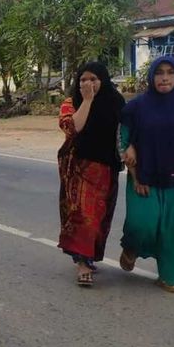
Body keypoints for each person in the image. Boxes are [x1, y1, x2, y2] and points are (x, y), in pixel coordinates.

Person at [57, 62, 126, 286]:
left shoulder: (116, 101)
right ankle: (83, 265)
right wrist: (87, 100)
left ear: (103, 80)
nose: (88, 83)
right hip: (80, 168)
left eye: (93, 79)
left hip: (107, 168)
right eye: (83, 80)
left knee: (101, 218)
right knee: (84, 217)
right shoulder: (71, 103)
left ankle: (87, 256)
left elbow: (125, 131)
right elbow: (72, 128)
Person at [119, 55, 174, 292]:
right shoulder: (136, 107)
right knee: (143, 224)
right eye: (159, 72)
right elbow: (124, 141)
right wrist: (135, 174)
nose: (165, 78)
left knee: (171, 231)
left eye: (171, 72)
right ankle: (132, 247)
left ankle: (168, 276)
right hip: (143, 175)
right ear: (151, 77)